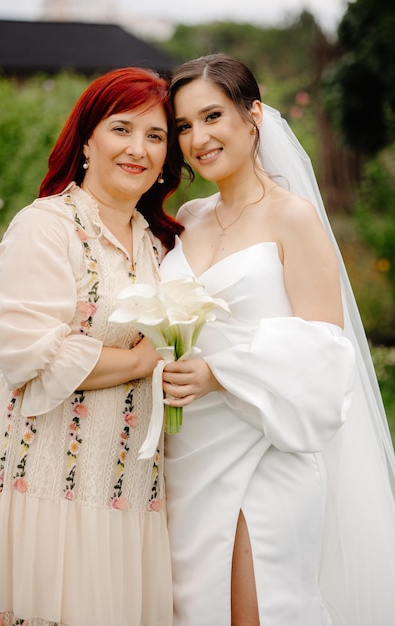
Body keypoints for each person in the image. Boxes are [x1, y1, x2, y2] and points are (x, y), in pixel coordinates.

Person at [159, 53, 395, 626]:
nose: (198, 138)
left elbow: (325, 347)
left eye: (213, 116)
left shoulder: (293, 217)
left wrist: (219, 374)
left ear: (253, 114)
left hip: (264, 448)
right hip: (185, 455)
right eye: (184, 126)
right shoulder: (186, 219)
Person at [0, 66, 184, 626]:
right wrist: (144, 360)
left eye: (156, 135)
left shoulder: (160, 245)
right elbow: (30, 355)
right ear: (87, 138)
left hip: (128, 479)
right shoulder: (46, 226)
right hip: (46, 471)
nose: (137, 149)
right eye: (122, 129)